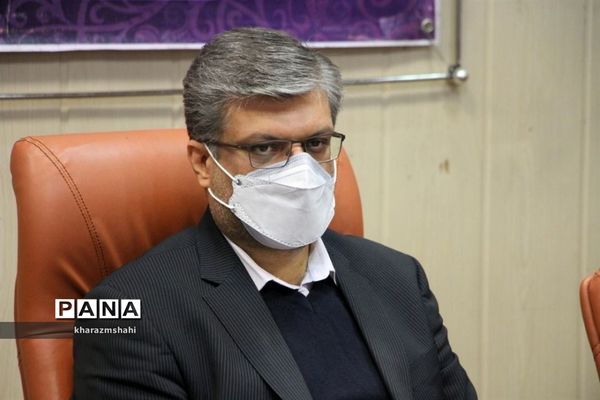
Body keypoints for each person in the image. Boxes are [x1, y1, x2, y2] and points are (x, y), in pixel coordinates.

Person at [73, 27, 477, 400]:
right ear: (203, 162)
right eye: (264, 148)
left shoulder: (398, 278)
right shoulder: (127, 314)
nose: (300, 170)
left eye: (316, 143)